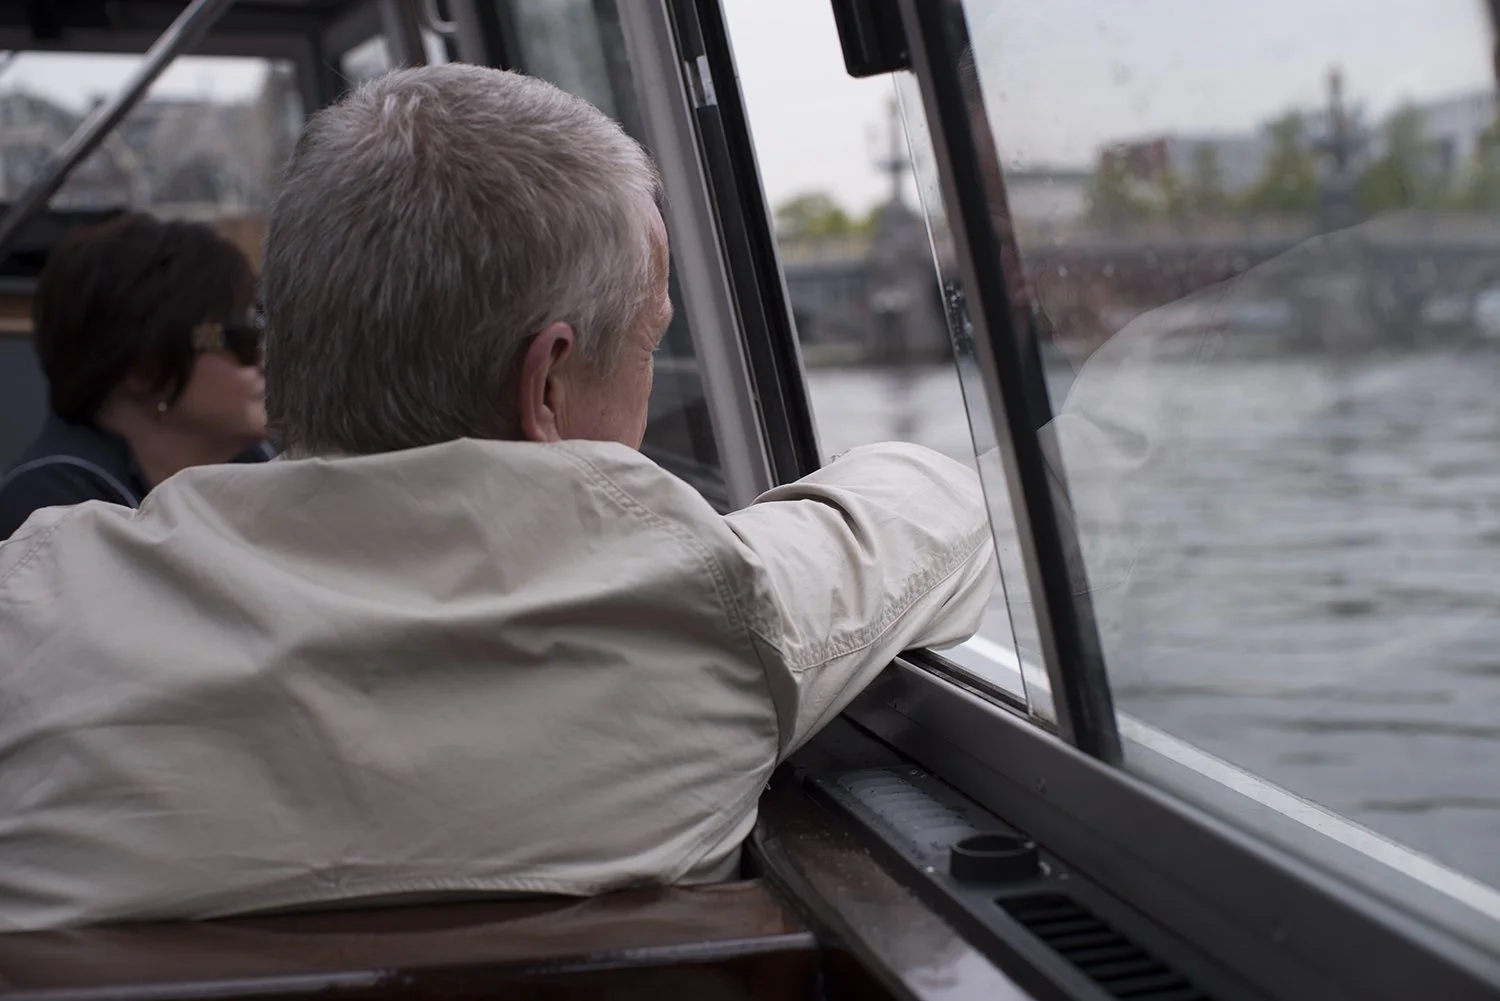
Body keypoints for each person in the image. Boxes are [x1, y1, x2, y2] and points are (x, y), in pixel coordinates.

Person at [0, 65, 997, 930]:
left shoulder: (30, 610)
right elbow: (938, 509)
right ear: (547, 383)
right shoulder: (699, 605)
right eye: (649, 342)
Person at [0, 212, 271, 540]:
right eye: (242, 338)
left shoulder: (261, 468)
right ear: (146, 367)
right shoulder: (52, 516)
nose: (265, 358)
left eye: (264, 330)